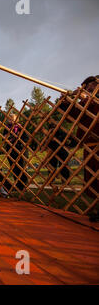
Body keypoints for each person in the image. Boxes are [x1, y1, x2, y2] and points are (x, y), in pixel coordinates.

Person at [59, 75, 98, 221]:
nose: (89, 88)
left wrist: (83, 98)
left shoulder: (92, 102)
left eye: (92, 85)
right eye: (87, 86)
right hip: (89, 145)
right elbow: (70, 115)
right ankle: (95, 209)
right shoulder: (85, 102)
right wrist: (66, 99)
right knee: (92, 180)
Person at [2, 113, 29, 192]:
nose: (10, 120)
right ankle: (18, 185)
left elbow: (26, 138)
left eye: (11, 119)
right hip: (11, 151)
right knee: (14, 168)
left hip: (21, 150)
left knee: (22, 168)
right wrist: (7, 138)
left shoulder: (20, 127)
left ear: (16, 119)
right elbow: (4, 139)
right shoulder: (6, 128)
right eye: (9, 119)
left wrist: (18, 141)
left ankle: (24, 185)